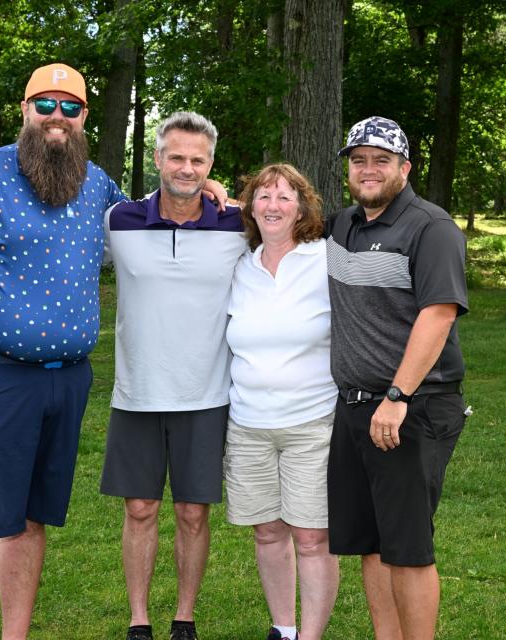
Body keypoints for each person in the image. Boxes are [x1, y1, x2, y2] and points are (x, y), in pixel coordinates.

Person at [0, 64, 227, 640]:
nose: (58, 117)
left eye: (71, 107)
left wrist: (204, 190)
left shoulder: (94, 184)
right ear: (24, 109)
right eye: (46, 104)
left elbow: (150, 214)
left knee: (30, 523)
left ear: (82, 117)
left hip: (66, 382)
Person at [100, 111, 247, 640]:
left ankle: (184, 618)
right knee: (139, 509)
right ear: (158, 159)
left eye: (198, 160)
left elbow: (291, 223)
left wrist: (230, 194)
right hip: (136, 393)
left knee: (191, 513)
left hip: (207, 394)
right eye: (177, 157)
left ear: (210, 165)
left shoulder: (238, 224)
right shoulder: (119, 220)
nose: (186, 168)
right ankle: (139, 620)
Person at [325, 116, 469, 640]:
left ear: (404, 168)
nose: (368, 170)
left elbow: (439, 315)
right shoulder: (341, 226)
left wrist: (397, 395)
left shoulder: (431, 229)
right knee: (372, 543)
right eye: (358, 160)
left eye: (381, 160)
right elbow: (277, 213)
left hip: (411, 408)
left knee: (406, 550)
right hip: (355, 408)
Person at [223, 164, 339, 640]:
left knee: (312, 537)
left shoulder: (326, 258)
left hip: (312, 421)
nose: (273, 206)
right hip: (248, 423)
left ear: (302, 207)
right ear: (249, 207)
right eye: (263, 196)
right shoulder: (240, 266)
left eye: (284, 197)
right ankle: (283, 629)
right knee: (267, 531)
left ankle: (309, 637)